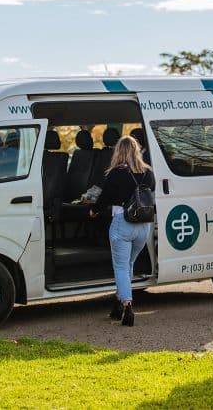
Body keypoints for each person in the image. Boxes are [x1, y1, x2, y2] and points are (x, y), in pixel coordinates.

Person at [89, 136, 155, 327]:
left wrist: (94, 210)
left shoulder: (116, 173)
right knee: (128, 265)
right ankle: (119, 305)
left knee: (120, 267)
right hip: (143, 226)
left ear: (119, 151)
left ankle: (127, 306)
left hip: (122, 224)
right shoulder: (148, 172)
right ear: (136, 150)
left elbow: (105, 197)